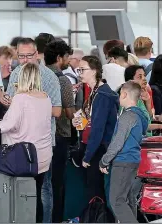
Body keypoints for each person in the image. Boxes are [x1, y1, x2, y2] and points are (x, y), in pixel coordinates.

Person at [0, 63, 52, 223]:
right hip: (42, 156)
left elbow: (9, 124)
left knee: (15, 194)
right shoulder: (45, 97)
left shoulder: (20, 98)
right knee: (35, 194)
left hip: (23, 157)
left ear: (21, 77)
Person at [4, 37, 62, 223]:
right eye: (21, 56)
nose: (26, 60)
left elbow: (58, 111)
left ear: (37, 54)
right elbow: (13, 106)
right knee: (20, 188)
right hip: (18, 142)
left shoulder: (49, 77)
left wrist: (33, 105)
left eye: (30, 55)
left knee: (44, 189)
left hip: (41, 144)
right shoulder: (15, 74)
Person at [99, 81, 149, 223]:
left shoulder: (127, 117)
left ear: (124, 94)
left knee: (117, 201)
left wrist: (104, 160)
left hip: (123, 161)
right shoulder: (140, 117)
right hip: (134, 161)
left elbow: (117, 142)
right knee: (128, 199)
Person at [72, 55, 119, 202]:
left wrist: (88, 156)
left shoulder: (103, 95)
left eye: (82, 69)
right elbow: (90, 121)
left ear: (94, 71)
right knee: (93, 189)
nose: (79, 73)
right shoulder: (94, 92)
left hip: (99, 149)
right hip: (94, 146)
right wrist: (79, 122)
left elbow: (98, 129)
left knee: (96, 191)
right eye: (78, 69)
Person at [44, 40, 75, 223]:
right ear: (59, 58)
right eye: (67, 57)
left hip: (41, 136)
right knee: (57, 183)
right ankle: (56, 219)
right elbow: (70, 113)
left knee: (43, 184)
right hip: (61, 136)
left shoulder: (39, 76)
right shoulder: (63, 80)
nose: (68, 61)